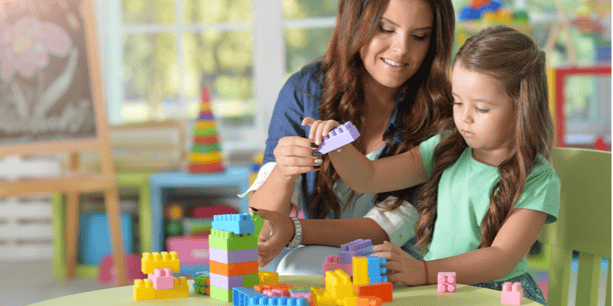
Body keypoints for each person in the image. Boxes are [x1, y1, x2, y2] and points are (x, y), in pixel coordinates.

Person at [302, 26, 559, 305]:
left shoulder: (537, 178)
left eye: (482, 108)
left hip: (497, 294)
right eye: (458, 102)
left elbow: (500, 258)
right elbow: (369, 177)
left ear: (523, 107)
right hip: (440, 286)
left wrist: (422, 271)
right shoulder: (446, 147)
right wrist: (337, 146)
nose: (465, 118)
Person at [241, 0, 455, 275]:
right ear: (356, 22)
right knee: (280, 266)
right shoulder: (305, 91)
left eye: (419, 36)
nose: (402, 49)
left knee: (296, 267)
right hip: (312, 258)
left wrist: (295, 231)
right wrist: (284, 172)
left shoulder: (443, 115)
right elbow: (262, 228)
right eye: (385, 29)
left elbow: (384, 231)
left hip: (395, 268)